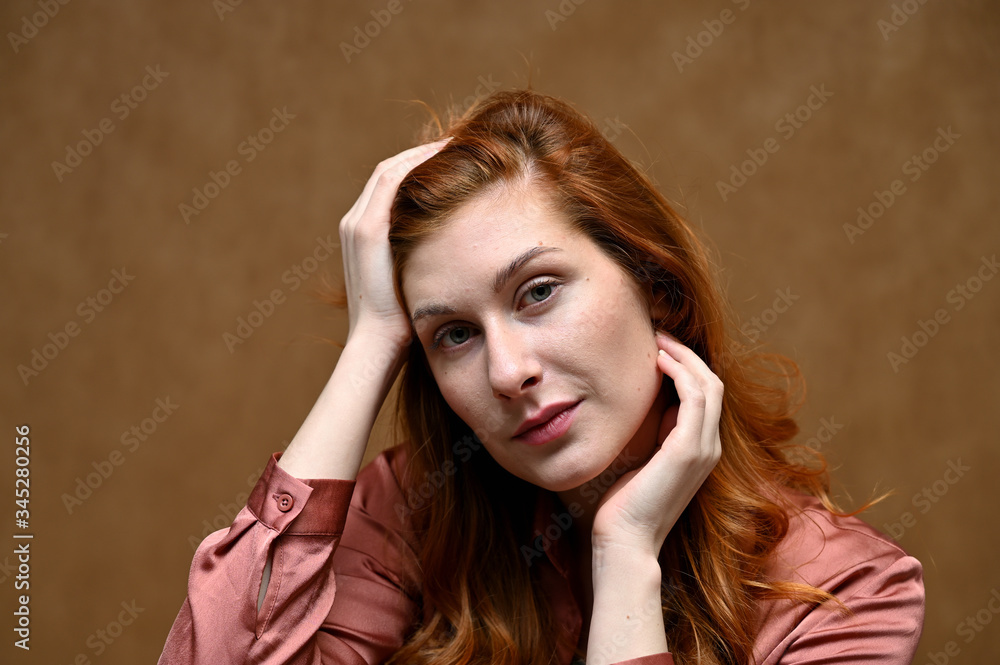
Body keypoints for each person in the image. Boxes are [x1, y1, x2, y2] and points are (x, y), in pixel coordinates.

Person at [158, 89, 924, 665]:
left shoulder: (848, 593)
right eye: (453, 333)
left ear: (654, 283)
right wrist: (372, 339)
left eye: (538, 292)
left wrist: (625, 556)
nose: (507, 371)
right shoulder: (413, 515)